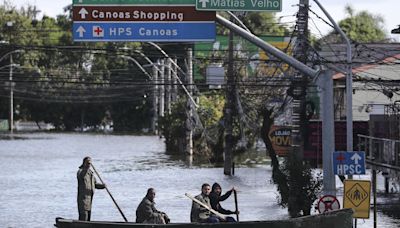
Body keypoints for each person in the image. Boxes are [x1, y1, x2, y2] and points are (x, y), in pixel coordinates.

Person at [77, 156, 106, 221]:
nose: (89, 165)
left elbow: (95, 184)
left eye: (89, 163)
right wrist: (86, 167)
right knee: (84, 217)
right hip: (83, 200)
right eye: (87, 163)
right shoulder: (80, 172)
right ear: (84, 163)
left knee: (88, 218)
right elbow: (82, 174)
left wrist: (102, 186)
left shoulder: (91, 174)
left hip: (89, 200)